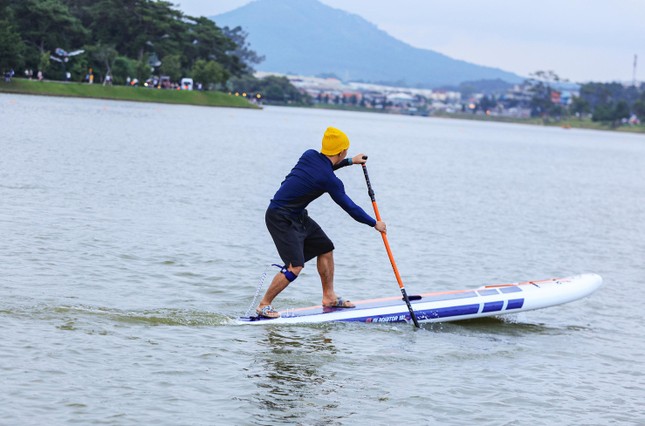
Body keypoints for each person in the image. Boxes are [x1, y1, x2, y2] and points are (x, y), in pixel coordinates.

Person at [257, 127, 387, 318]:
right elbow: (350, 207)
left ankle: (329, 297)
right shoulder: (330, 180)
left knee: (325, 247)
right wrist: (374, 223)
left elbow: (327, 166)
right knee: (295, 266)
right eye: (346, 152)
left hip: (297, 215)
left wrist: (351, 161)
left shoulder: (309, 155)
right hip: (280, 218)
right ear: (341, 151)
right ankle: (264, 305)